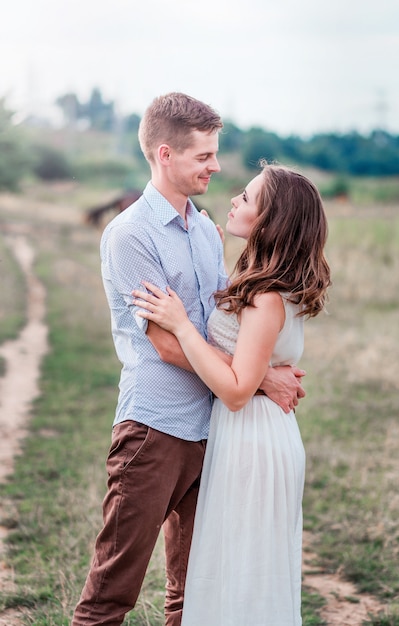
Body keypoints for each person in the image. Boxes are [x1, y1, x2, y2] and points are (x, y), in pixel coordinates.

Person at [71, 93, 305, 626]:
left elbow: (213, 325)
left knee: (194, 592)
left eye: (215, 154)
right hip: (155, 430)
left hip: (214, 433)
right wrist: (261, 379)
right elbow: (167, 341)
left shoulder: (203, 229)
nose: (216, 166)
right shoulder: (130, 235)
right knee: (112, 593)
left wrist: (253, 373)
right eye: (204, 156)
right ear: (165, 154)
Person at [132, 163, 332, 626]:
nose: (233, 201)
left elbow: (238, 390)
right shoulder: (264, 281)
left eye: (247, 197)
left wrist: (181, 325)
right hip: (254, 433)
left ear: (270, 220)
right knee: (234, 569)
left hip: (252, 439)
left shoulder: (266, 296)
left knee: (243, 575)